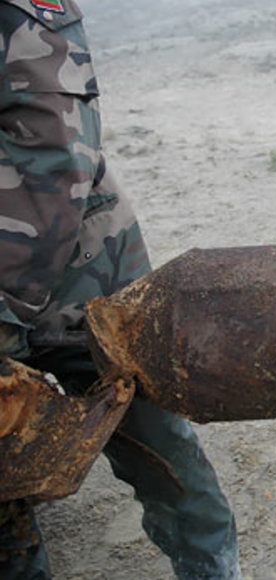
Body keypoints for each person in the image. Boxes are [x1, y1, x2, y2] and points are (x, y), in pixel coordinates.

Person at [0, 1, 241, 578]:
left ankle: (210, 568)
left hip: (78, 269)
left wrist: (5, 314)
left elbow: (54, 152)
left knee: (156, 440)